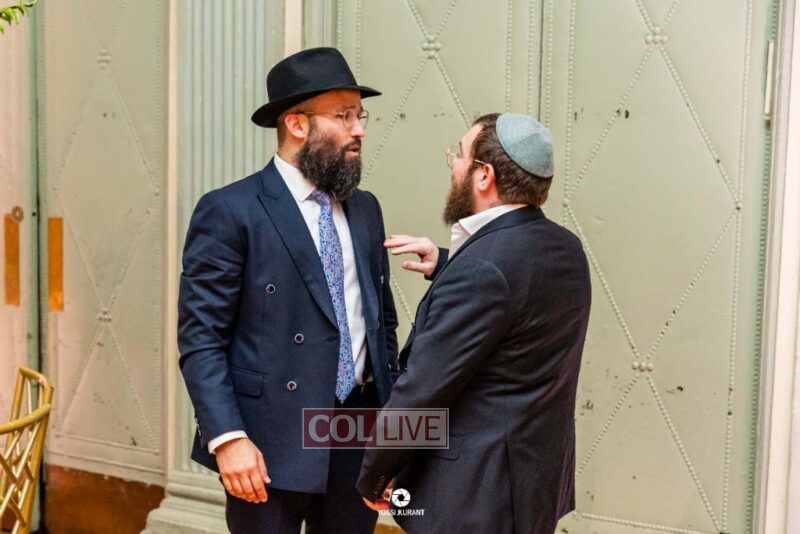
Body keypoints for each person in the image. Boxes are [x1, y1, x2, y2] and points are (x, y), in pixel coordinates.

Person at [178, 47, 398, 534]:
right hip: (267, 440)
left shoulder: (365, 208)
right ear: (297, 124)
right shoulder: (231, 211)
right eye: (343, 116)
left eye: (359, 116)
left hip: (356, 435)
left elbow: (381, 325)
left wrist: (392, 433)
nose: (359, 130)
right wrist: (227, 436)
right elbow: (201, 339)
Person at [358, 113, 592, 533]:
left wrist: (376, 474)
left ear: (484, 176)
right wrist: (446, 265)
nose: (453, 164)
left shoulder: (483, 270)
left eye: (460, 155)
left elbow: (423, 391)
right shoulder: (566, 248)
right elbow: (518, 300)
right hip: (532, 487)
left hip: (473, 496)